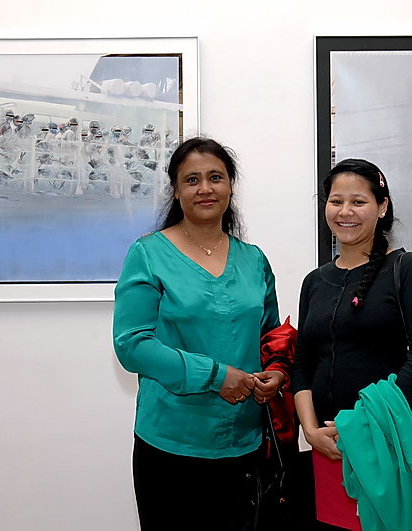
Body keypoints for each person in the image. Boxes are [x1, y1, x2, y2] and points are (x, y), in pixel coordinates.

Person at [113, 137, 285, 530]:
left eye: (215, 177)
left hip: (244, 443)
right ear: (176, 190)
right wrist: (215, 376)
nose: (205, 188)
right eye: (192, 180)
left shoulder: (254, 259)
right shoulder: (148, 254)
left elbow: (271, 335)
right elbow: (132, 345)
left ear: (230, 186)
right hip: (172, 445)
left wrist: (277, 372)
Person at [291, 158, 412, 530]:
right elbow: (303, 362)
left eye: (358, 201)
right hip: (327, 446)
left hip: (385, 441)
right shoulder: (314, 281)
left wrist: (362, 423)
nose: (345, 212)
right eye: (336, 201)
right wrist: (310, 430)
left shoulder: (406, 268)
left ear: (382, 206)